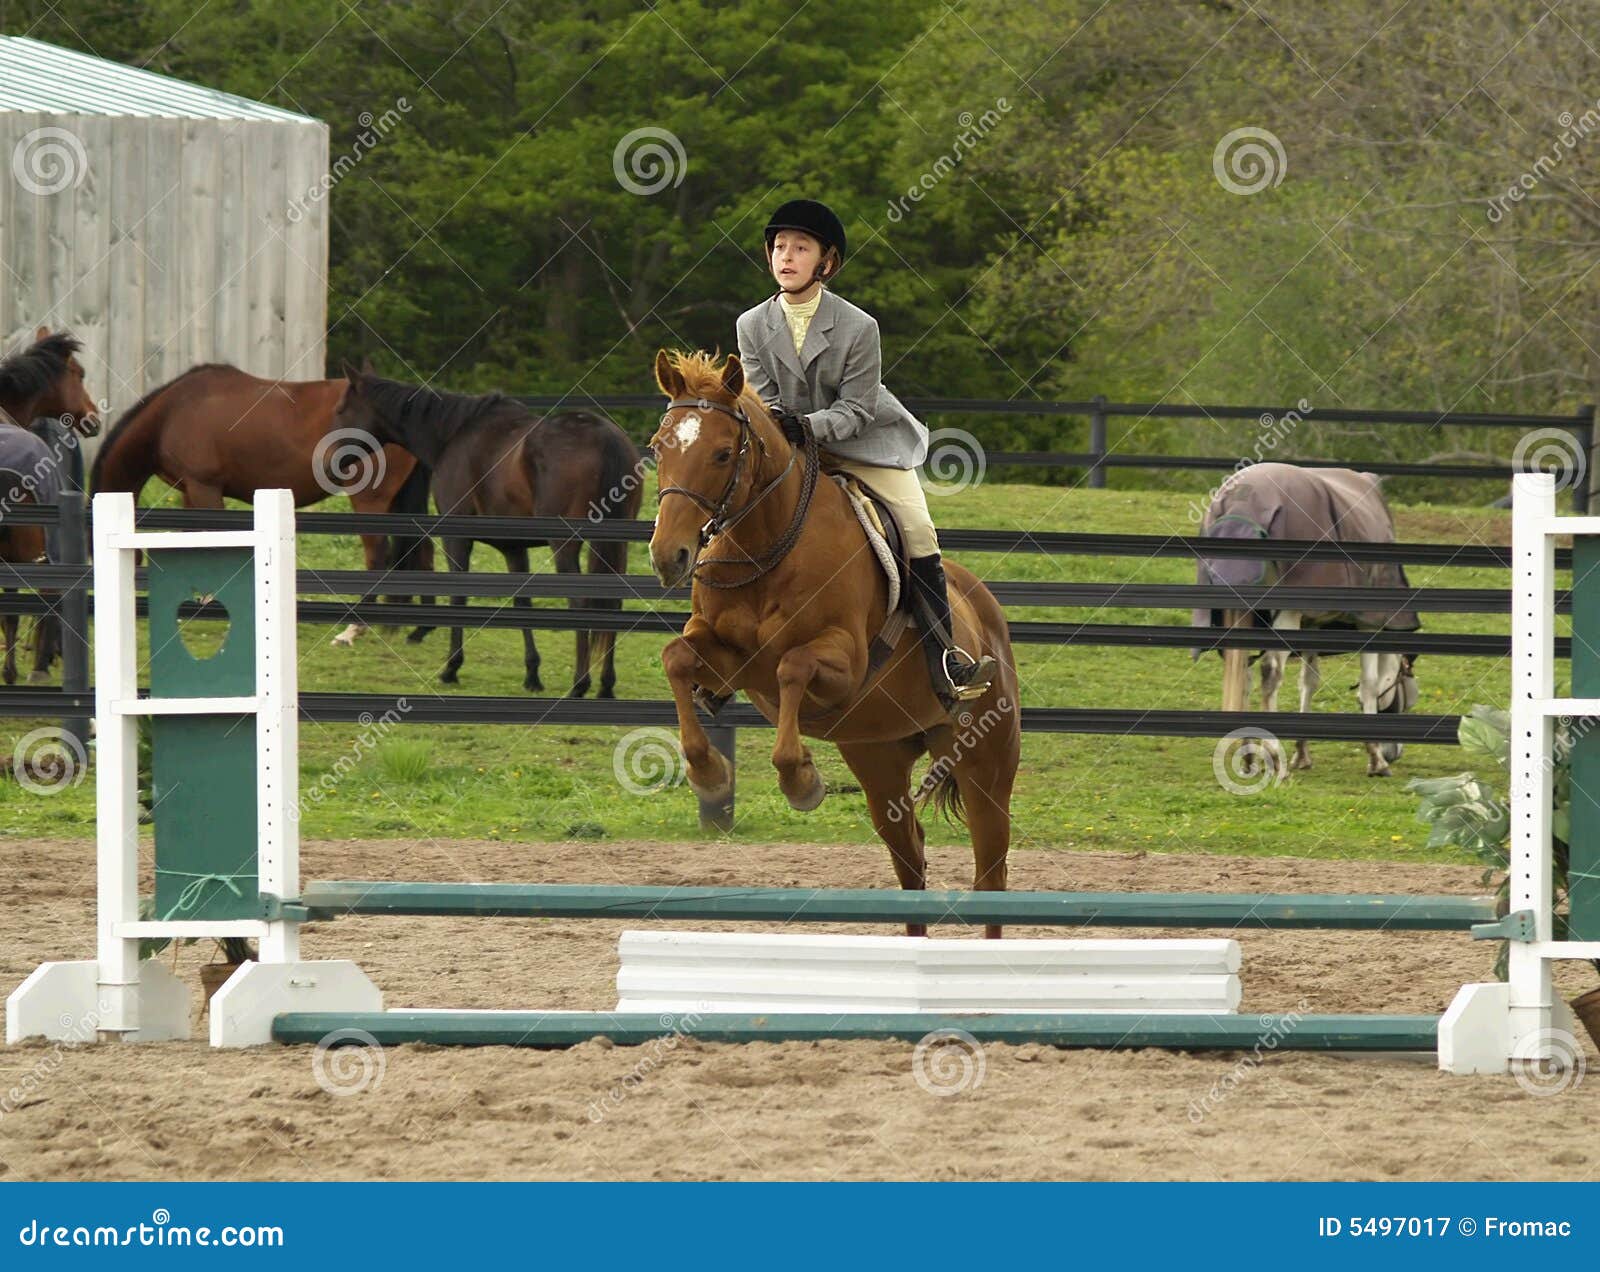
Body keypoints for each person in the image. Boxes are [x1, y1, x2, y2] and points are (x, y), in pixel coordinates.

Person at [735, 197, 996, 709]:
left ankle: (947, 659)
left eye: (800, 248)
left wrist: (804, 425)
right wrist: (781, 431)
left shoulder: (859, 326)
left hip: (861, 443)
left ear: (825, 262)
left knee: (918, 529)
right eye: (779, 247)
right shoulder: (751, 325)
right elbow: (762, 403)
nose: (785, 256)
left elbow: (856, 409)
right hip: (789, 448)